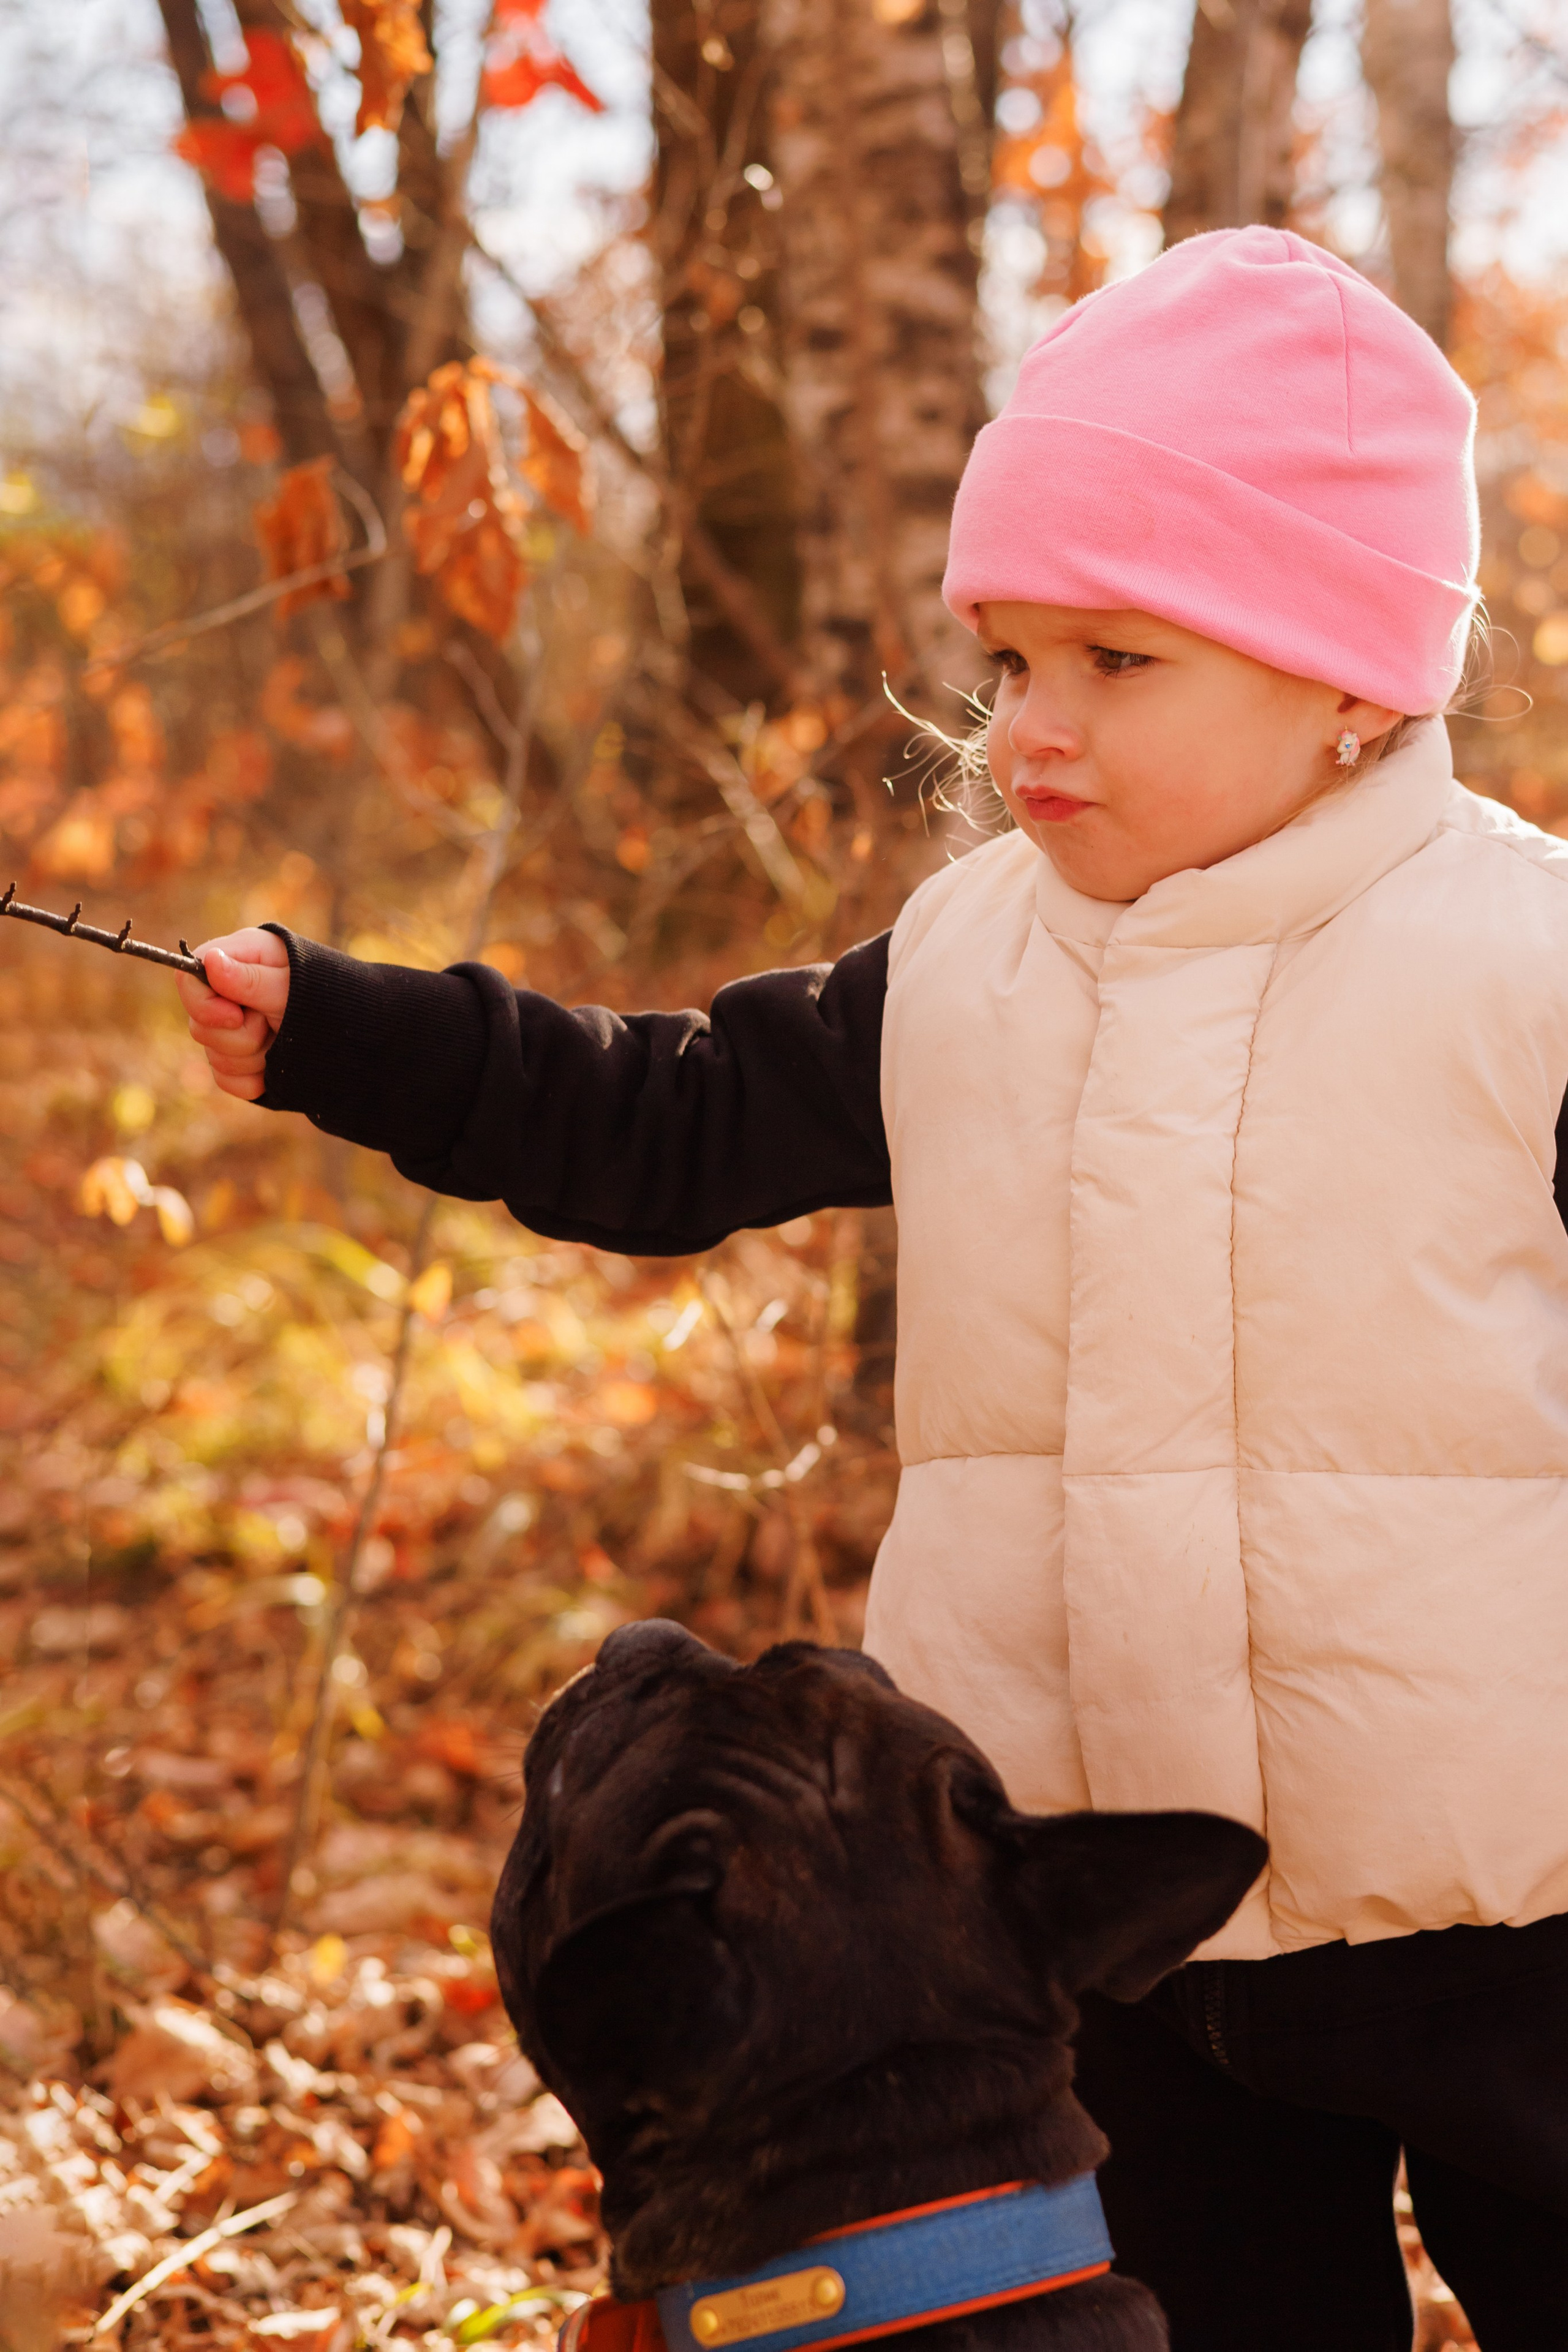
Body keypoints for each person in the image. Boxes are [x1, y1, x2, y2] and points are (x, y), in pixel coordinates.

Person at [178, 227, 1568, 2351]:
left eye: (1123, 662)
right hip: (1097, 1942)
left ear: (1355, 680)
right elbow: (661, 1118)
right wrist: (365, 1037)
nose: (1034, 731)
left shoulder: (1521, 972)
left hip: (1511, 1917)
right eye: (1012, 661)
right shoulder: (966, 972)